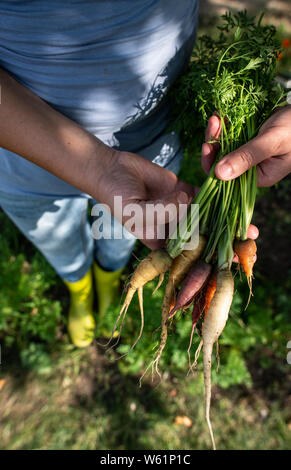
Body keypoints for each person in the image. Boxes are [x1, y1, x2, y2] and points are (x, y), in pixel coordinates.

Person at [0, 1, 290, 347]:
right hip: (24, 164)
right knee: (58, 243)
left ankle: (110, 279)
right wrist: (97, 166)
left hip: (147, 161)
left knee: (120, 238)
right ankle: (79, 287)